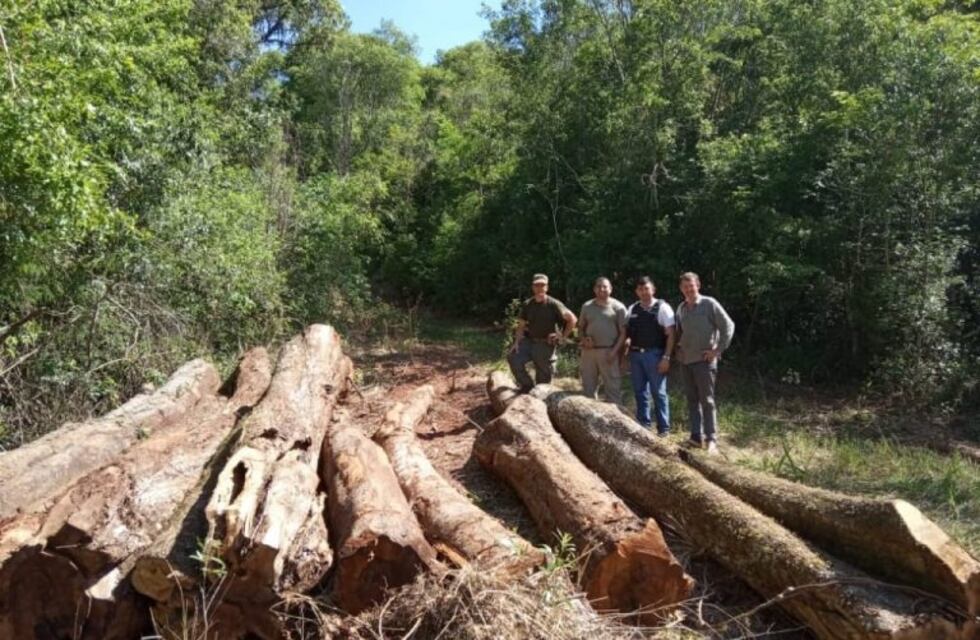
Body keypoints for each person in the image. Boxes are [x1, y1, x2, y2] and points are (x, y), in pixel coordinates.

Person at [673, 272, 735, 454]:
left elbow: (728, 326)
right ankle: (695, 437)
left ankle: (711, 440)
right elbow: (679, 332)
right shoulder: (681, 308)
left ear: (698, 285)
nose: (688, 289)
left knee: (707, 401)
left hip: (704, 361)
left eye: (691, 285)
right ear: (681, 289)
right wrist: (678, 349)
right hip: (686, 361)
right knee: (692, 400)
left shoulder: (709, 304)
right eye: (685, 286)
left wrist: (717, 350)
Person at [623, 276, 675, 435]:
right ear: (637, 291)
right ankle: (643, 426)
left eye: (647, 288)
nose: (644, 292)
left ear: (653, 290)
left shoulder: (663, 308)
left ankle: (663, 429)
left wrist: (666, 358)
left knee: (658, 393)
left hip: (655, 355)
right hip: (635, 355)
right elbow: (627, 333)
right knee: (640, 392)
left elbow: (672, 334)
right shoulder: (632, 309)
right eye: (640, 289)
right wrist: (624, 355)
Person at [508, 273, 577, 391]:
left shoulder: (553, 304)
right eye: (537, 285)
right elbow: (521, 325)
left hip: (545, 344)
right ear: (533, 287)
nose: (539, 288)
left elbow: (572, 319)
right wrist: (516, 342)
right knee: (513, 358)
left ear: (547, 287)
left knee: (543, 381)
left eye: (542, 285)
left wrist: (562, 337)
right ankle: (527, 387)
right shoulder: (528, 304)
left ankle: (540, 397)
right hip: (529, 341)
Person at [578, 277, 628, 404]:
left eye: (605, 286)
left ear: (610, 289)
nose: (602, 289)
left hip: (609, 352)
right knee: (588, 390)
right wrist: (584, 339)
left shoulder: (619, 308)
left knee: (613, 391)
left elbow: (624, 333)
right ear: (594, 289)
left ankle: (615, 421)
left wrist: (614, 352)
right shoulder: (587, 306)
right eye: (599, 286)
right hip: (588, 353)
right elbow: (580, 328)